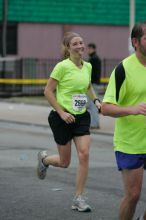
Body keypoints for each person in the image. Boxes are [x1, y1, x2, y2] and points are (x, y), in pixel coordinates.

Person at [37, 32, 101, 212]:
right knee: (65, 162)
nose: (80, 46)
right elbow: (48, 91)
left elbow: (87, 86)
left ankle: (78, 198)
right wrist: (61, 113)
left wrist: (96, 101)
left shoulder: (87, 66)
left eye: (81, 42)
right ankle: (45, 160)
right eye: (76, 44)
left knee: (84, 154)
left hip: (81, 116)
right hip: (62, 117)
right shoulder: (61, 67)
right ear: (68, 48)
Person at [101, 22, 146, 220]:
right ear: (135, 42)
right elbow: (106, 107)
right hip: (131, 143)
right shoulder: (123, 69)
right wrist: (133, 109)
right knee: (133, 195)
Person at [87, 43, 101, 129]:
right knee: (93, 104)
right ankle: (94, 123)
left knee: (93, 105)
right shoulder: (95, 58)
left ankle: (94, 124)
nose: (88, 51)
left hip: (93, 84)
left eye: (89, 49)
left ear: (93, 49)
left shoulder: (93, 59)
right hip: (95, 83)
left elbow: (91, 73)